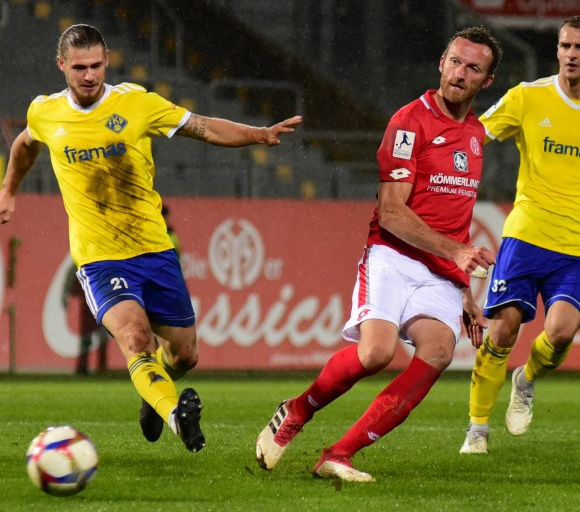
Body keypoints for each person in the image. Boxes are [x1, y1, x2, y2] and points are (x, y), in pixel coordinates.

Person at [0, 24, 302, 453]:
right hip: (99, 257)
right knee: (135, 339)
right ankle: (175, 413)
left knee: (184, 356)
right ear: (61, 65)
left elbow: (202, 127)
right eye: (80, 67)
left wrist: (258, 134)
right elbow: (26, 145)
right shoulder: (44, 112)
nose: (89, 76)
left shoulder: (136, 103)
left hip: (154, 250)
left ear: (107, 61)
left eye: (97, 66)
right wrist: (10, 189)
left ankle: (154, 395)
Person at [256, 26, 503, 482]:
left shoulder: (475, 134)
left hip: (442, 272)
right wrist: (458, 252)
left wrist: (463, 288)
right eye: (454, 61)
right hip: (393, 254)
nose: (459, 73)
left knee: (439, 351)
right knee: (375, 354)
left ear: (486, 82)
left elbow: (455, 217)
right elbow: (391, 212)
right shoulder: (410, 121)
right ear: (441, 63)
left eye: (473, 68)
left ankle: (339, 454)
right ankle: (297, 409)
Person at [460, 16, 580, 455]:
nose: (571, 54)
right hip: (527, 233)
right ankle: (477, 428)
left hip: (576, 248)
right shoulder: (529, 97)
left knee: (562, 332)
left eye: (579, 48)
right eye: (566, 45)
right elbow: (475, 135)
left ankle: (525, 380)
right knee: (505, 328)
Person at [62, 260, 109, 375]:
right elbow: (69, 281)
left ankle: (97, 367)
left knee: (99, 335)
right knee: (89, 336)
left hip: (97, 302)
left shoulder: (83, 261)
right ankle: (89, 367)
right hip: (95, 302)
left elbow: (69, 282)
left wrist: (65, 296)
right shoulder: (84, 261)